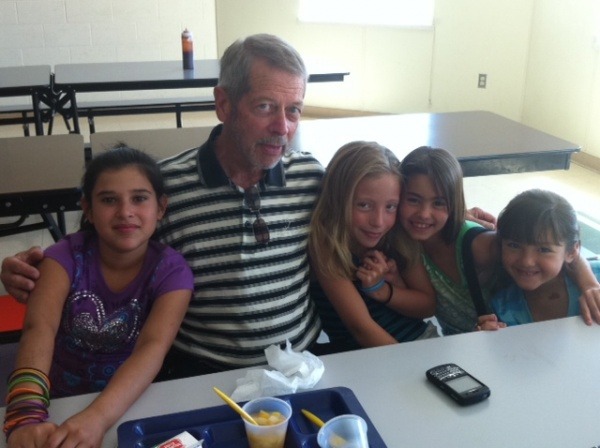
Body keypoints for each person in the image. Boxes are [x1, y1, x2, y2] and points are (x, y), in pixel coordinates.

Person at [1, 34, 324, 377]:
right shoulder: (165, 189)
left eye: (294, 111)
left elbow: (351, 252)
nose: (282, 128)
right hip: (200, 374)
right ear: (224, 104)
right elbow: (95, 259)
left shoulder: (310, 178)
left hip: (302, 367)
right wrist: (32, 273)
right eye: (265, 107)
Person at [3, 147, 193, 448]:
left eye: (140, 198)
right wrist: (24, 416)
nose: (125, 212)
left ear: (161, 207)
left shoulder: (173, 272)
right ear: (88, 209)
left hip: (130, 400)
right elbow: (39, 329)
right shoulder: (62, 257)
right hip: (57, 399)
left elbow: (152, 348)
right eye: (108, 200)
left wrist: (98, 418)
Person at [398, 146, 600, 335]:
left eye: (439, 203)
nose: (424, 214)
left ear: (454, 203)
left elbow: (555, 242)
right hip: (480, 345)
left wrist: (590, 285)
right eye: (413, 199)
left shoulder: (480, 246)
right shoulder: (399, 242)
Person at [308, 141, 438, 350]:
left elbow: (427, 306)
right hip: (371, 359)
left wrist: (383, 290)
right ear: (338, 201)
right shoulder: (327, 246)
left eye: (390, 206)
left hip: (421, 343)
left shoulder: (397, 237)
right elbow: (361, 328)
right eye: (364, 205)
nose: (378, 221)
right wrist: (408, 369)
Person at [477, 189, 600, 330]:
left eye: (544, 249)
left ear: (571, 251)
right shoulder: (503, 307)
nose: (526, 261)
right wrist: (488, 338)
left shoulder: (596, 278)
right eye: (514, 245)